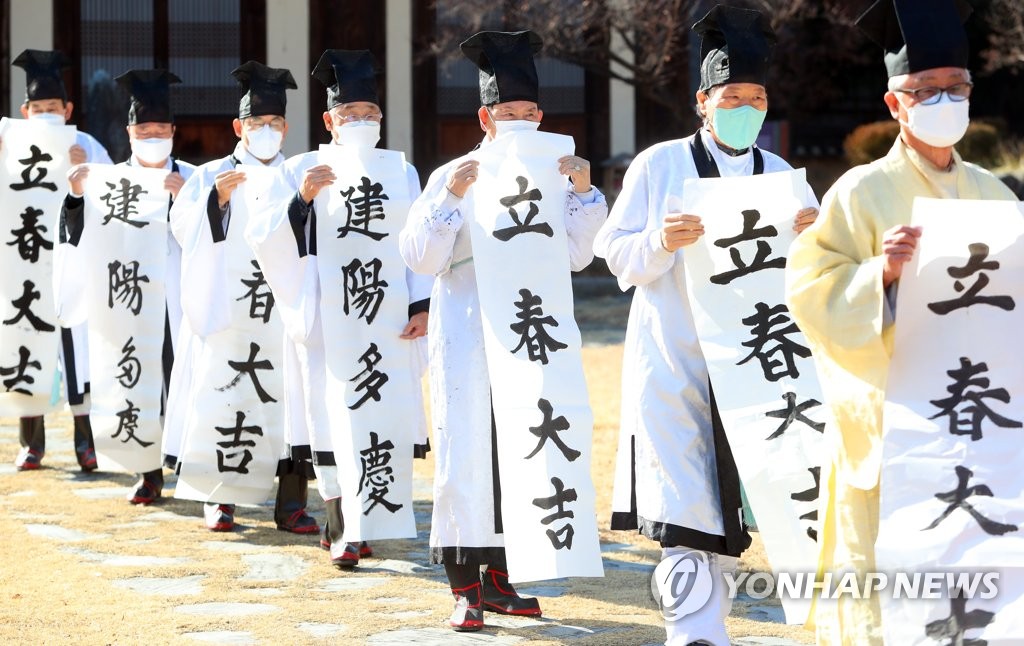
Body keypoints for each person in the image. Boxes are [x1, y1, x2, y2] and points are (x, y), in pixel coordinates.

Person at [784, 1, 1016, 643]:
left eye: (955, 88)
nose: (943, 100)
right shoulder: (859, 192)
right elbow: (808, 290)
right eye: (925, 90)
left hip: (978, 420)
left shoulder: (997, 196)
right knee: (888, 589)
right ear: (895, 104)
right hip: (893, 422)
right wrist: (878, 276)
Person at [592, 6, 818, 645]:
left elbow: (820, 273)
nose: (745, 108)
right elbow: (616, 253)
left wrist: (813, 237)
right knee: (687, 506)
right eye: (731, 97)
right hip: (678, 360)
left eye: (757, 99)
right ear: (703, 102)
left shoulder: (782, 178)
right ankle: (694, 634)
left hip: (760, 367)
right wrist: (661, 242)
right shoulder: (660, 165)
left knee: (744, 499)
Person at [400, 30, 607, 632]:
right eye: (505, 113)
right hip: (468, 330)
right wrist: (454, 196)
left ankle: (505, 576)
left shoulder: (556, 174)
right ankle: (465, 583)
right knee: (468, 451)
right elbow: (418, 257)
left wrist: (584, 191)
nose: (517, 121)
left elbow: (577, 255)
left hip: (530, 330)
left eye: (527, 113)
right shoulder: (450, 174)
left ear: (540, 116)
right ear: (484, 117)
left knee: (522, 445)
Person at [247, 49, 431, 563]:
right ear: (329, 120)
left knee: (378, 412)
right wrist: (300, 202)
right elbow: (262, 237)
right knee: (331, 414)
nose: (362, 123)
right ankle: (340, 522)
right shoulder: (303, 168)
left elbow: (415, 242)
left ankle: (369, 516)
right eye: (351, 115)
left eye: (370, 114)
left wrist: (421, 303)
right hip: (329, 317)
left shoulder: (400, 171)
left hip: (387, 316)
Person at [164, 61, 318, 534]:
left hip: (284, 311)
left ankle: (291, 503)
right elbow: (182, 226)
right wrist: (218, 204)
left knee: (291, 402)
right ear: (239, 127)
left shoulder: (300, 173)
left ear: (286, 127)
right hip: (229, 311)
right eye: (256, 124)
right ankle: (221, 498)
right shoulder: (212, 174)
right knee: (226, 395)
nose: (266, 131)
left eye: (274, 124)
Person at [56, 68, 195, 504]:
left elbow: (220, 239)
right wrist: (77, 196)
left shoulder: (194, 177)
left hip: (184, 299)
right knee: (139, 382)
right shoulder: (109, 182)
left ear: (173, 131)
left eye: (160, 129)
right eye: (144, 129)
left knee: (186, 380)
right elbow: (79, 234)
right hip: (131, 302)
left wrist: (185, 201)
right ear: (129, 132)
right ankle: (148, 471)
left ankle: (195, 470)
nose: (152, 136)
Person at [4, 49, 112, 472]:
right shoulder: (8, 144)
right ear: (24, 111)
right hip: (23, 262)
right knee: (27, 342)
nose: (46, 115)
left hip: (73, 263)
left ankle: (87, 442)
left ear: (68, 110)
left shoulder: (86, 146)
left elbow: (114, 201)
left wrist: (92, 175)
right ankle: (32, 442)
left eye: (54, 109)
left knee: (78, 353)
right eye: (39, 109)